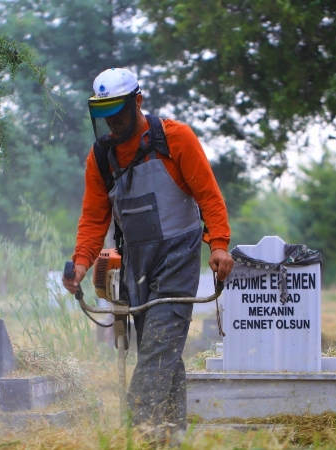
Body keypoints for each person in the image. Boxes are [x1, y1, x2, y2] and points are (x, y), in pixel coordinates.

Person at [62, 68, 234, 439]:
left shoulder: (175, 139)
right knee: (162, 353)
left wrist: (218, 245)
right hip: (135, 263)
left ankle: (136, 433)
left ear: (137, 101)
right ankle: (171, 437)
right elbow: (93, 219)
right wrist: (79, 265)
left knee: (157, 347)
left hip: (178, 256)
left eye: (119, 110)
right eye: (104, 113)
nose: (113, 120)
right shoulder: (102, 158)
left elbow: (208, 195)